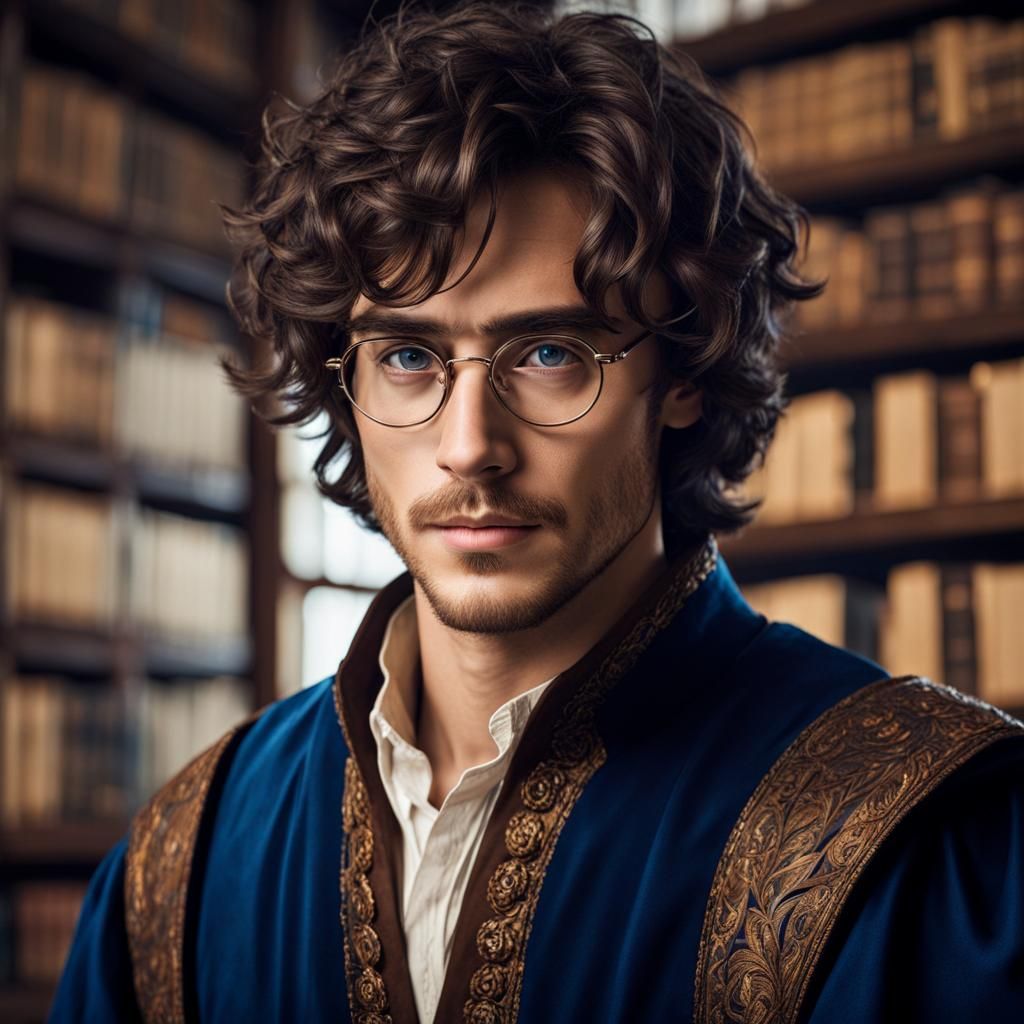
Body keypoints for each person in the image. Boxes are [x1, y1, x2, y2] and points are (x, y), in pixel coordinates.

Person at [50, 3, 1024, 1022]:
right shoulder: (183, 860)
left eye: (551, 354)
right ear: (348, 383)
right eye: (409, 357)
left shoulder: (917, 843)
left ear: (681, 371)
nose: (470, 442)